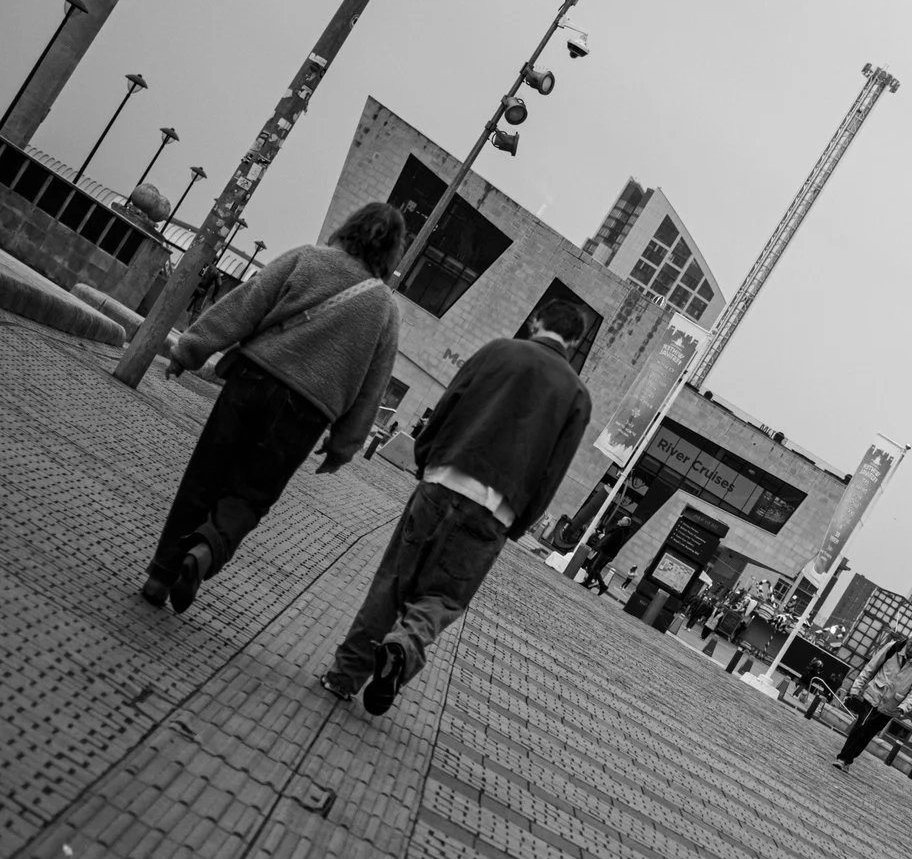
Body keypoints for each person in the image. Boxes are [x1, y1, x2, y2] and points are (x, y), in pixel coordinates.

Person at [319, 299, 594, 715]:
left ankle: (343, 676)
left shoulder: (497, 351)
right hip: (493, 510)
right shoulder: (577, 396)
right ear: (574, 342)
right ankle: (405, 644)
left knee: (392, 582)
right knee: (444, 598)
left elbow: (449, 403)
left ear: (536, 322)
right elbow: (552, 472)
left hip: (443, 480)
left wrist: (426, 458)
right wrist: (517, 523)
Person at [142, 202, 406, 612]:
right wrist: (343, 446)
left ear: (349, 227)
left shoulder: (306, 258)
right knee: (251, 495)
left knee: (204, 477)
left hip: (251, 382)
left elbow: (245, 304)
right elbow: (373, 387)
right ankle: (204, 552)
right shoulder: (386, 309)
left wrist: (190, 350)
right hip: (305, 414)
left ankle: (160, 579)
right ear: (392, 254)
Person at [832, 636, 912, 769]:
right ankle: (842, 758)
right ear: (907, 641)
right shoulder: (892, 648)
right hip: (874, 695)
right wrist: (856, 687)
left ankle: (849, 759)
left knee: (868, 735)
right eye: (910, 644)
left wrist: (905, 706)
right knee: (861, 726)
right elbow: (871, 667)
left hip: (892, 705)